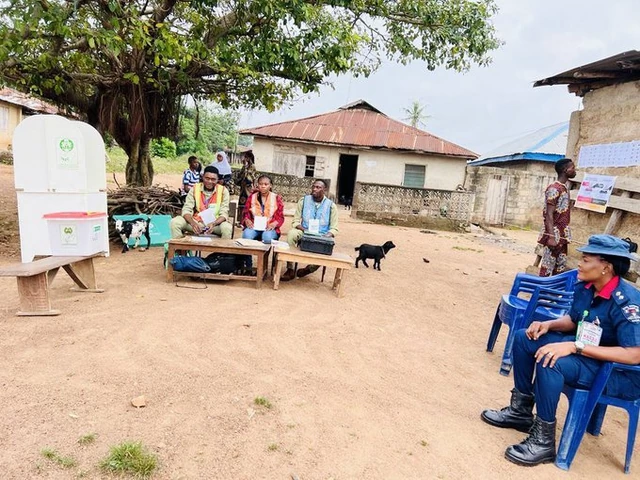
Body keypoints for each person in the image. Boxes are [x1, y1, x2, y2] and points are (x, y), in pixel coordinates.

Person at [481, 234, 640, 467]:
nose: (579, 263)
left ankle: (544, 441)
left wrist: (575, 346)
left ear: (606, 267)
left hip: (617, 373)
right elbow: (575, 320)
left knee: (550, 359)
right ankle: (521, 412)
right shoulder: (587, 288)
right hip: (587, 355)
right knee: (524, 338)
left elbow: (634, 354)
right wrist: (548, 325)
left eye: (586, 260)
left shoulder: (627, 302)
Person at [281, 179, 338, 281]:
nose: (314, 189)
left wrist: (327, 235)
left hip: (322, 234)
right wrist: (304, 229)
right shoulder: (303, 201)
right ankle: (290, 269)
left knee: (327, 245)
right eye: (313, 187)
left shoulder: (331, 206)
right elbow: (295, 221)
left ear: (324, 190)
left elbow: (334, 228)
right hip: (304, 231)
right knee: (291, 234)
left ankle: (309, 269)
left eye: (318, 187)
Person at [538, 158, 577, 276]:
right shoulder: (554, 189)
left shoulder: (564, 188)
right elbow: (549, 214)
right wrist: (550, 236)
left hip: (562, 233)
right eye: (573, 168)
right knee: (548, 265)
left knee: (560, 265)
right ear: (565, 170)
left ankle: (552, 292)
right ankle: (541, 292)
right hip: (554, 232)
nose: (575, 170)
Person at [170, 166, 233, 239]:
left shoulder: (223, 191)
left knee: (227, 228)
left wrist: (214, 223)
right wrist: (193, 223)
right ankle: (179, 249)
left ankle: (221, 250)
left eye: (213, 179)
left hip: (215, 224)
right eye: (207, 178)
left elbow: (224, 213)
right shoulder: (195, 189)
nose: (209, 181)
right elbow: (187, 209)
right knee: (175, 222)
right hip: (196, 222)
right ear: (202, 177)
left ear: (217, 180)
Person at [241, 174, 285, 244]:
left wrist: (274, 224)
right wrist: (247, 220)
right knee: (247, 235)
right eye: (260, 184)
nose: (263, 186)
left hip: (269, 228)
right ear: (257, 185)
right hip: (255, 227)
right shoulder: (252, 197)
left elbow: (280, 217)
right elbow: (246, 213)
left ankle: (263, 255)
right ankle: (248, 255)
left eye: (266, 184)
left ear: (270, 185)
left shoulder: (276, 198)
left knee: (267, 237)